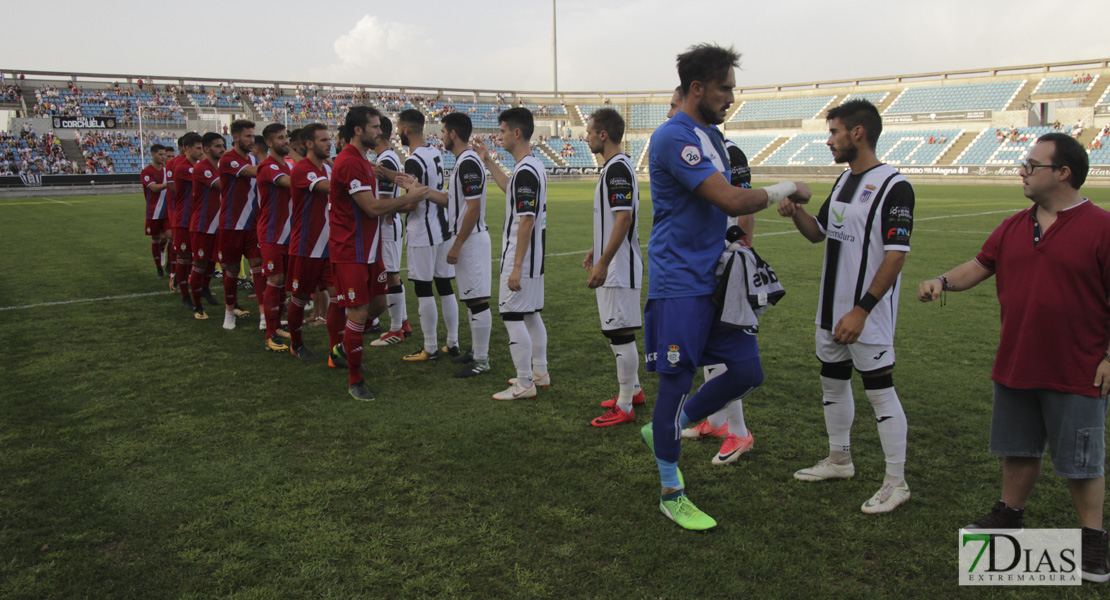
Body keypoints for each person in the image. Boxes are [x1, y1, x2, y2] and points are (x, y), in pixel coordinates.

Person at [919, 133, 1110, 583]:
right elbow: (980, 266)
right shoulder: (1013, 225)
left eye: (1031, 164)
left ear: (1063, 173)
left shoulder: (1102, 226)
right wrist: (943, 281)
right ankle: (1010, 515)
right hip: (1018, 360)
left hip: (1078, 366)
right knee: (1018, 449)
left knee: (1081, 461)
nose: (1022, 171)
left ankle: (1092, 540)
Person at [642, 43, 810, 531]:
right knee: (674, 385)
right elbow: (730, 197)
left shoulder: (710, 135)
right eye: (725, 88)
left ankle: (665, 430)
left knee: (746, 370)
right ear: (698, 88)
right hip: (679, 282)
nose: (731, 97)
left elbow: (729, 209)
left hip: (713, 278)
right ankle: (671, 491)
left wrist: (738, 242)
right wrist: (785, 187)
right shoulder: (676, 137)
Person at [778, 99, 914, 515]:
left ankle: (897, 482)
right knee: (832, 382)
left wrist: (863, 309)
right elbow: (819, 233)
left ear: (858, 133)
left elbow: (896, 255)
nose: (829, 139)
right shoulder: (842, 181)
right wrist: (796, 213)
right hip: (830, 309)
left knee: (880, 392)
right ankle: (839, 460)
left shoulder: (895, 186)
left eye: (834, 131)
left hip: (865, 315)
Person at [328, 106, 425, 400]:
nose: (379, 132)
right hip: (351, 250)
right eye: (373, 127)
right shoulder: (349, 163)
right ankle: (355, 380)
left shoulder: (362, 161)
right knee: (358, 311)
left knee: (379, 305)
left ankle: (345, 344)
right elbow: (371, 207)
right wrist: (407, 200)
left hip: (369, 249)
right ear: (357, 130)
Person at [682, 114, 759, 465]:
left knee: (726, 350)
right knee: (708, 349)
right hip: (699, 265)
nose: (671, 112)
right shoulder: (687, 149)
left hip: (724, 265)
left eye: (674, 104)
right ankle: (715, 422)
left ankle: (739, 433)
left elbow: (746, 207)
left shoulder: (730, 152)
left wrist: (741, 257)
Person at [472, 108, 550, 401]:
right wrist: (490, 162)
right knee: (530, 315)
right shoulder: (530, 167)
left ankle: (524, 382)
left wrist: (516, 267)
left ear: (516, 133)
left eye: (503, 130)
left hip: (522, 258)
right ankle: (539, 372)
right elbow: (511, 190)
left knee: (512, 315)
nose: (499, 135)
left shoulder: (527, 170)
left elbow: (527, 219)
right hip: (533, 258)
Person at [582, 108, 644, 427]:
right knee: (616, 331)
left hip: (619, 269)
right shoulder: (614, 168)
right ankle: (633, 391)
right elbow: (617, 218)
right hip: (617, 264)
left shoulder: (617, 168)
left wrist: (604, 263)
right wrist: (598, 247)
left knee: (619, 333)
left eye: (590, 131)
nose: (587, 136)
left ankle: (625, 405)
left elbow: (625, 218)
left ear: (603, 135)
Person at [395, 109, 458, 362]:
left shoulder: (413, 160)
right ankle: (452, 342)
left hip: (422, 230)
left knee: (423, 289)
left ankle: (430, 348)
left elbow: (413, 202)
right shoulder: (434, 152)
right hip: (443, 227)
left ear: (406, 130)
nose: (398, 132)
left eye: (398, 128)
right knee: (444, 286)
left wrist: (386, 208)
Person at [441, 112, 493, 378]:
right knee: (472, 300)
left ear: (453, 134)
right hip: (468, 238)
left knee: (478, 300)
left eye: (442, 132)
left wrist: (457, 244)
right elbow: (458, 203)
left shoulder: (468, 162)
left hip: (471, 239)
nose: (440, 137)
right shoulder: (465, 161)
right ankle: (477, 352)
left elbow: (473, 208)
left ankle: (482, 361)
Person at [287, 123, 343, 362]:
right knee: (299, 299)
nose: (329, 143)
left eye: (329, 139)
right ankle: (296, 344)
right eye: (323, 140)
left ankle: (335, 350)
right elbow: (329, 188)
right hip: (306, 247)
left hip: (329, 248)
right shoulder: (302, 169)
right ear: (308, 144)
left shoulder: (328, 169)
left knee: (339, 298)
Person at [368, 116, 413, 347]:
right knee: (392, 274)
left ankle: (396, 329)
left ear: (380, 134)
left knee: (391, 275)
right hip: (388, 225)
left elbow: (385, 199)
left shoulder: (386, 159)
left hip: (387, 225)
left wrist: (382, 213)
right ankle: (402, 323)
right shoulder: (385, 157)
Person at [215, 119, 262, 330]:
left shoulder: (253, 158)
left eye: (253, 136)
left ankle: (264, 316)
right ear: (235, 137)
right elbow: (253, 173)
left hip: (253, 225)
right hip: (231, 224)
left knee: (259, 270)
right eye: (248, 136)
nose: (252, 140)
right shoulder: (228, 159)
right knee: (232, 271)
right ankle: (228, 312)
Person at [255, 123, 293, 351]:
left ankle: (277, 324)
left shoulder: (287, 165)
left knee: (283, 283)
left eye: (286, 137)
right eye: (280, 138)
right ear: (269, 143)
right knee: (275, 280)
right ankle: (270, 334)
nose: (286, 141)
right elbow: (290, 184)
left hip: (289, 233)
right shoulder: (268, 167)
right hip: (271, 233)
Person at [188, 132, 226, 320]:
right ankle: (196, 305)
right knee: (200, 264)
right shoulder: (202, 168)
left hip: (218, 225)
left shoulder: (220, 167)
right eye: (217, 146)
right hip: (203, 225)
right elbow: (222, 185)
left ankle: (205, 291)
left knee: (212, 264)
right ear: (206, 148)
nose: (222, 149)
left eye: (222, 146)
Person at [171, 133, 204, 309]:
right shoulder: (184, 167)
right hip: (183, 219)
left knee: (196, 258)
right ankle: (185, 295)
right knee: (183, 258)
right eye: (198, 148)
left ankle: (199, 289)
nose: (201, 151)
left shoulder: (197, 165)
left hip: (196, 218)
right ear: (187, 148)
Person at [140, 143, 170, 278]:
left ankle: (169, 263)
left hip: (168, 211)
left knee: (171, 237)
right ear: (152, 154)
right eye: (160, 154)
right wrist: (170, 184)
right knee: (156, 240)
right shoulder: (146, 172)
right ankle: (159, 268)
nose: (163, 157)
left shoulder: (167, 170)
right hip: (154, 212)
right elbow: (154, 188)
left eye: (164, 154)